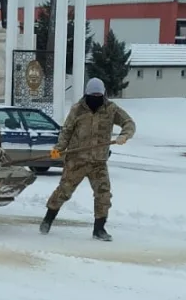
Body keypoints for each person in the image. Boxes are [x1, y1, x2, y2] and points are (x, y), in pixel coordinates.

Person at [40, 78, 135, 240]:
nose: (96, 97)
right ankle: (48, 220)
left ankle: (99, 229)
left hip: (99, 162)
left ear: (103, 93)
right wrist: (58, 150)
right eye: (93, 95)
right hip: (76, 160)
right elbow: (66, 132)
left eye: (99, 94)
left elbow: (129, 123)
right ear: (87, 94)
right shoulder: (77, 110)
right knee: (63, 191)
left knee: (103, 194)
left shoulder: (111, 109)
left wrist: (124, 136)